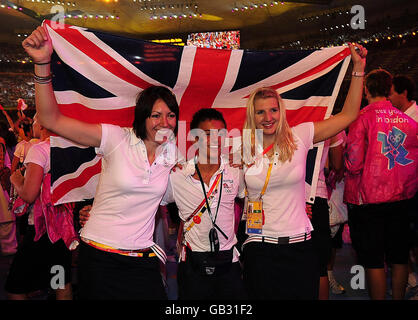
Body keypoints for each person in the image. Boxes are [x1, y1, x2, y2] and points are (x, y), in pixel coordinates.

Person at [22, 26, 180, 299]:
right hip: (100, 259)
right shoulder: (115, 137)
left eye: (170, 115)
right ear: (142, 117)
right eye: (156, 115)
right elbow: (51, 120)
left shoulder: (173, 153)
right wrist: (42, 63)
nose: (164, 123)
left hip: (142, 260)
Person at [240, 43, 367, 300]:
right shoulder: (241, 148)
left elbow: (349, 114)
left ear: (281, 111)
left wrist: (358, 69)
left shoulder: (300, 135)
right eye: (261, 111)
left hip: (300, 245)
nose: (268, 117)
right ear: (252, 115)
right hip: (259, 248)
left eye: (273, 110)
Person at [344, 69, 418, 300]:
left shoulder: (361, 117)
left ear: (366, 90)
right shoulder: (408, 120)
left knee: (374, 260)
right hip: (403, 197)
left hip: (369, 200)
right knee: (399, 256)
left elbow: (354, 163)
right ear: (389, 89)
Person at [163, 108, 246, 300]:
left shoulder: (235, 171)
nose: (215, 140)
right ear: (194, 138)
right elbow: (151, 201)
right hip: (193, 264)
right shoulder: (178, 175)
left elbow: (254, 198)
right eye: (207, 134)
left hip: (229, 263)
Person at [4, 114, 74, 300]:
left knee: (16, 287)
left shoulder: (39, 150)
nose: (32, 125)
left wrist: (16, 180)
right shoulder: (67, 147)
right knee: (59, 282)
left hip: (39, 229)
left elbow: (29, 194)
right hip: (63, 228)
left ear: (42, 125)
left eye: (34, 121)